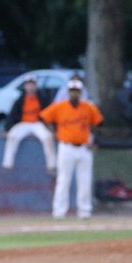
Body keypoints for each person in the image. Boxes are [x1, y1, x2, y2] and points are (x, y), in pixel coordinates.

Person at [39, 78, 104, 220]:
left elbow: (99, 123)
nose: (74, 94)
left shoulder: (88, 107)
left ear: (81, 92)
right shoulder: (60, 106)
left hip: (84, 147)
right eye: (72, 91)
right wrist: (53, 131)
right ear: (68, 92)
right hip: (66, 146)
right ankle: (59, 211)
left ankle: (84, 211)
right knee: (63, 180)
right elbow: (43, 117)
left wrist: (95, 140)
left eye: (77, 91)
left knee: (85, 180)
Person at [1, 76, 56, 173]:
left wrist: (53, 127)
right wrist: (7, 129)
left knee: (47, 137)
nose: (30, 86)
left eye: (32, 84)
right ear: (25, 86)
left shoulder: (42, 98)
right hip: (24, 123)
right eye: (28, 84)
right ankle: (7, 165)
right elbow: (12, 114)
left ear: (35, 85)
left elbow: (49, 112)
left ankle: (52, 166)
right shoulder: (20, 99)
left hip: (38, 124)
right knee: (12, 136)